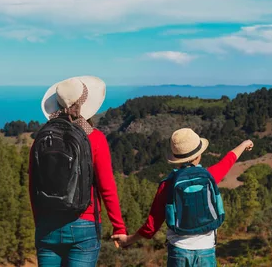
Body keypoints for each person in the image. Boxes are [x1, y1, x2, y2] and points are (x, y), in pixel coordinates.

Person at [112, 128, 254, 267]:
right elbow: (228, 160)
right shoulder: (208, 176)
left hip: (179, 251)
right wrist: (244, 144)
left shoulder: (167, 185)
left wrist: (128, 239)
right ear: (199, 155)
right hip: (206, 250)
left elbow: (151, 226)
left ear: (176, 159)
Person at [29, 76, 126, 266]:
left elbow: (33, 187)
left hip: (47, 225)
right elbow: (107, 187)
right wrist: (118, 227)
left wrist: (40, 223)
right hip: (84, 225)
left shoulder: (42, 138)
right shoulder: (95, 139)